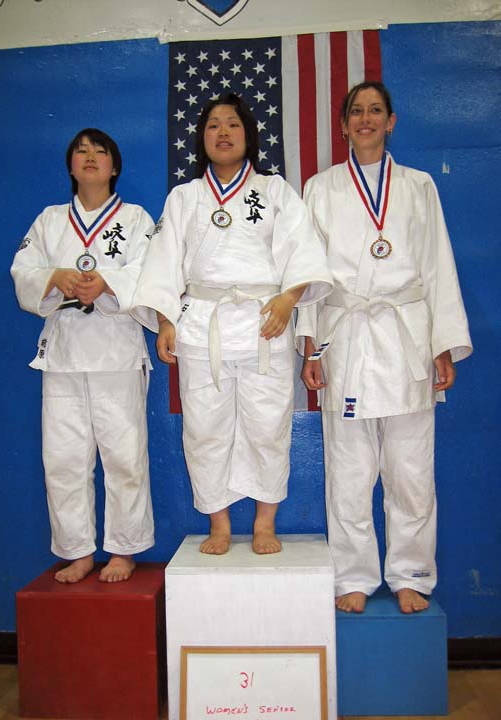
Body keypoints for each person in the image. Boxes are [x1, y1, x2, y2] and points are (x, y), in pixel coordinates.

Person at [131, 93, 332, 555]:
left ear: (248, 136)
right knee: (205, 427)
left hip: (266, 322)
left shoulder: (275, 191)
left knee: (268, 425)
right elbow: (164, 261)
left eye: (232, 124)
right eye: (213, 126)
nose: (222, 132)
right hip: (204, 323)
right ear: (201, 139)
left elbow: (303, 250)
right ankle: (218, 523)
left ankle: (264, 522)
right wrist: (165, 319)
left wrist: (288, 299)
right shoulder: (184, 197)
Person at [299, 81, 472, 613]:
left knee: (411, 470)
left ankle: (410, 573)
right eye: (357, 111)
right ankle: (352, 575)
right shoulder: (320, 188)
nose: (366, 119)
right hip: (345, 334)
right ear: (344, 125)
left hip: (406, 336)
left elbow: (438, 264)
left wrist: (442, 344)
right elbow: (306, 271)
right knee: (349, 471)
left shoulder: (419, 186)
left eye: (376, 110)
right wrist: (310, 347)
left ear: (391, 121)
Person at [11, 128, 155, 583]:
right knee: (63, 458)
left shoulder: (135, 218)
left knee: (125, 457)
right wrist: (56, 277)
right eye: (81, 151)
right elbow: (23, 271)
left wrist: (107, 282)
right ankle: (77, 551)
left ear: (114, 166)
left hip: (117, 349)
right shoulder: (50, 220)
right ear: (71, 166)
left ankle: (123, 550)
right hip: (64, 351)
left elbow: (152, 272)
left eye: (100, 151)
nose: (90, 156)